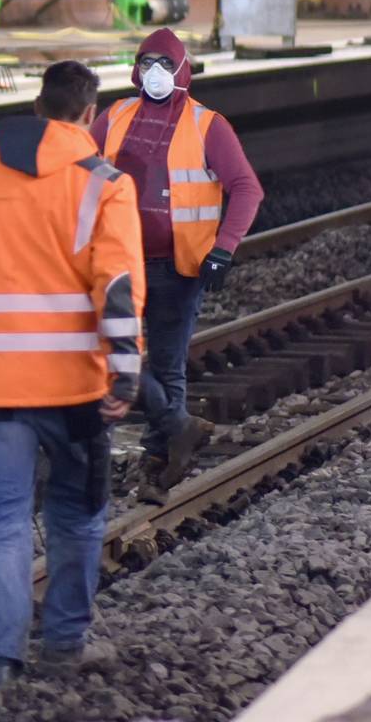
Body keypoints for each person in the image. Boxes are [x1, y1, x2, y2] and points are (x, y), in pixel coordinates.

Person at [0, 60, 142, 691]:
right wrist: (125, 372)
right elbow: (118, 288)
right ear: (89, 115)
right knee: (76, 516)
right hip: (76, 388)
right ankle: (65, 646)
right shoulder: (104, 184)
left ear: (38, 108)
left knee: (1, 523)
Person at [91, 27, 263, 493]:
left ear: (183, 69)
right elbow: (77, 173)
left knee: (166, 365)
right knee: (107, 356)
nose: (156, 72)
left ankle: (158, 464)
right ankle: (173, 430)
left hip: (176, 268)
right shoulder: (115, 116)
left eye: (165, 64)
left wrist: (223, 248)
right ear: (136, 69)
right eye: (147, 63)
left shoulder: (208, 125)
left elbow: (247, 188)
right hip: (117, 263)